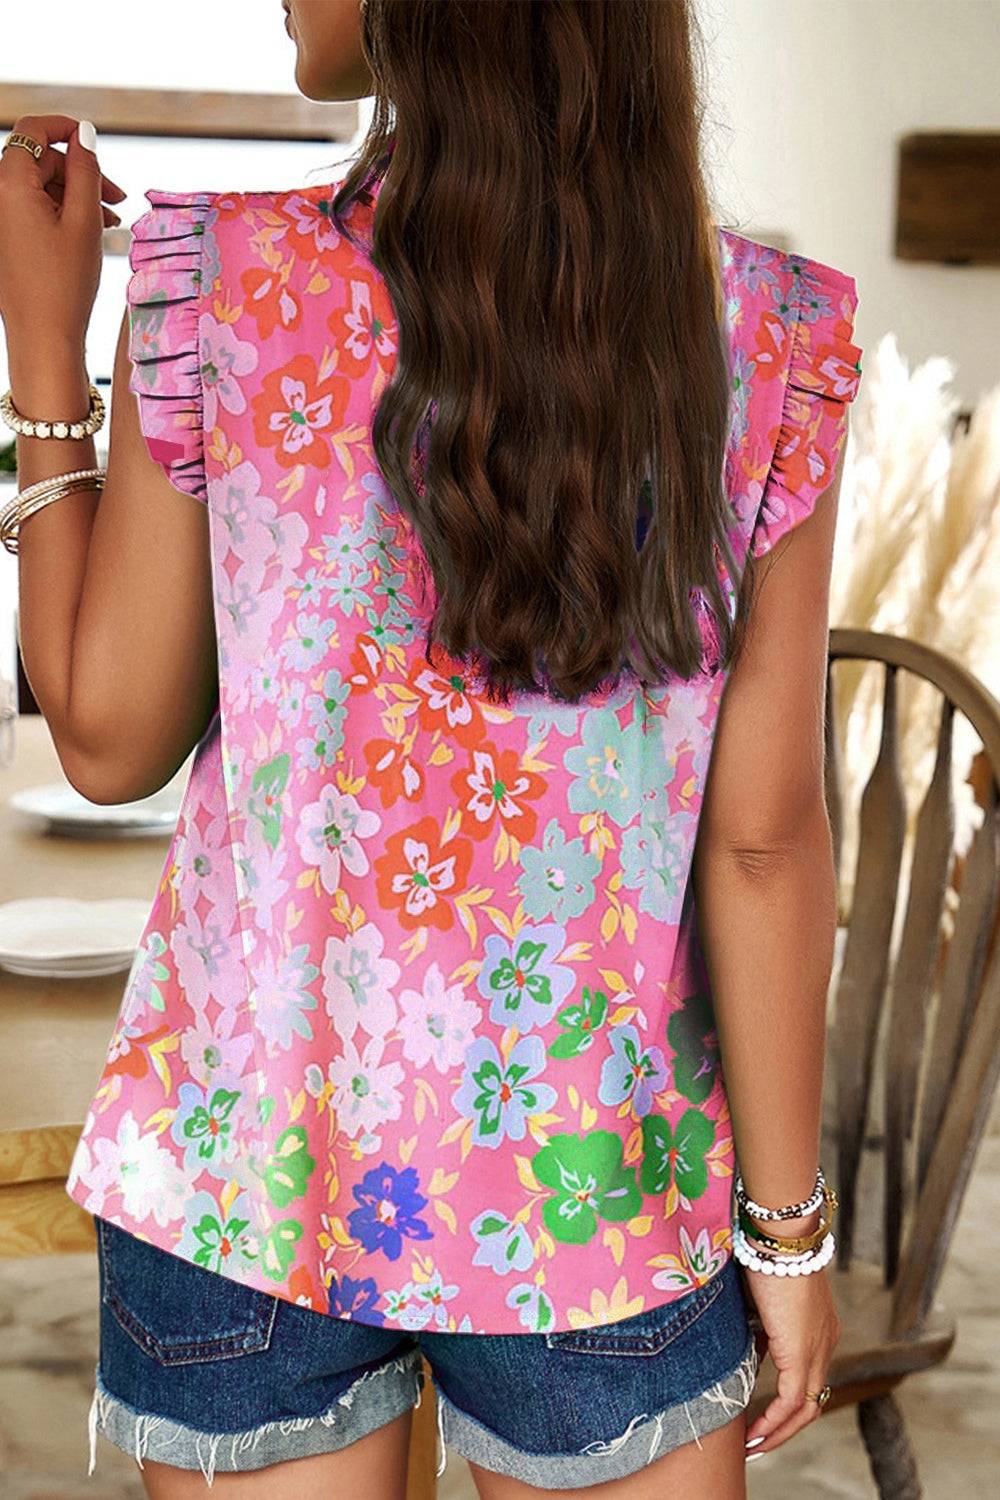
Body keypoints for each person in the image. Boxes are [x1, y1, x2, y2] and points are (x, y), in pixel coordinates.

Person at [0, 0, 863, 1495]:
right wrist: (785, 1235)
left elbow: (106, 735)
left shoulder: (223, 283)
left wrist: (42, 359)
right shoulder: (764, 334)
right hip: (595, 1198)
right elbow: (764, 838)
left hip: (249, 1179)